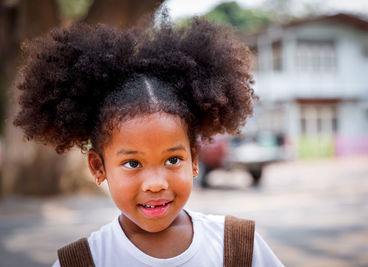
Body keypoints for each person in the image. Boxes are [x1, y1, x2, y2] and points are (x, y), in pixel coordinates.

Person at [14, 11, 283, 267]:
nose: (156, 184)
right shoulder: (85, 260)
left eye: (173, 159)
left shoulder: (237, 247)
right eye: (133, 163)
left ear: (193, 159)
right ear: (98, 167)